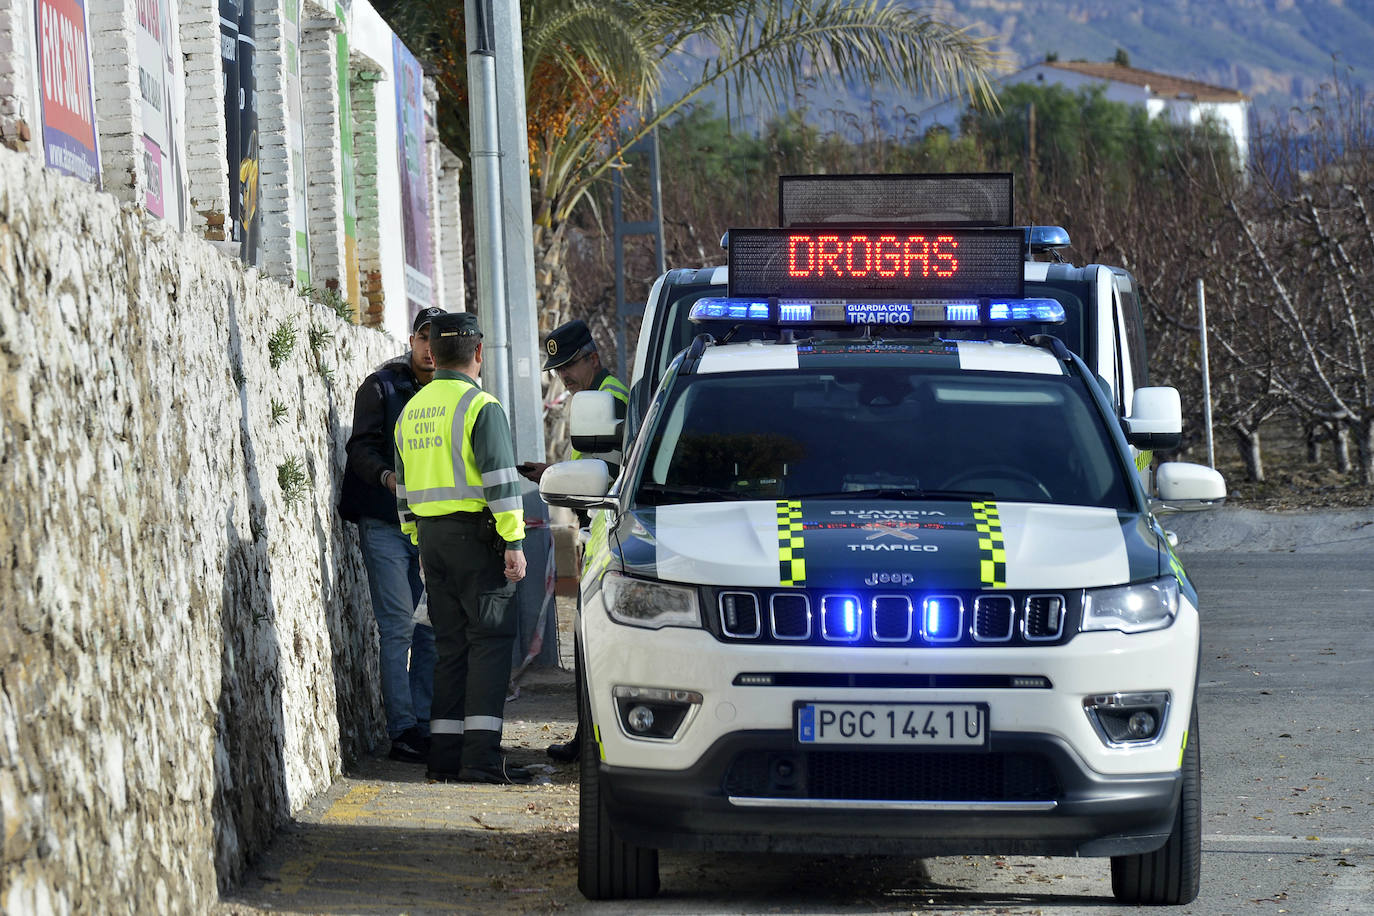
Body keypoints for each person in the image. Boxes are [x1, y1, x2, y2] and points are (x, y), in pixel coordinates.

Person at [394, 311, 532, 785]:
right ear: (478, 354)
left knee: (449, 647)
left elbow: (404, 490)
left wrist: (416, 538)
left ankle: (445, 757)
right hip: (478, 540)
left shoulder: (412, 409)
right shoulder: (480, 406)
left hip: (431, 543)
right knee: (490, 644)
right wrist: (514, 541)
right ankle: (480, 759)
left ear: (434, 353)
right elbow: (500, 480)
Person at [517, 318, 628, 765]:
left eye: (569, 365)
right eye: (558, 368)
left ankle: (592, 739)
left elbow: (605, 473)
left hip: (609, 536)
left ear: (593, 359)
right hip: (599, 533)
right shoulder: (592, 401)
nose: (563, 375)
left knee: (593, 646)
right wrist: (551, 471)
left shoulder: (608, 400)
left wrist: (555, 475)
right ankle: (588, 735)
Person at [339, 306, 446, 764]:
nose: (429, 348)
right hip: (385, 522)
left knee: (429, 628)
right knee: (398, 626)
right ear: (412, 339)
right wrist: (387, 478)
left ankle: (423, 723)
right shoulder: (381, 386)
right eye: (423, 338)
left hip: (430, 527)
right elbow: (359, 446)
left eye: (437, 340)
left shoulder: (452, 393)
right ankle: (402, 729)